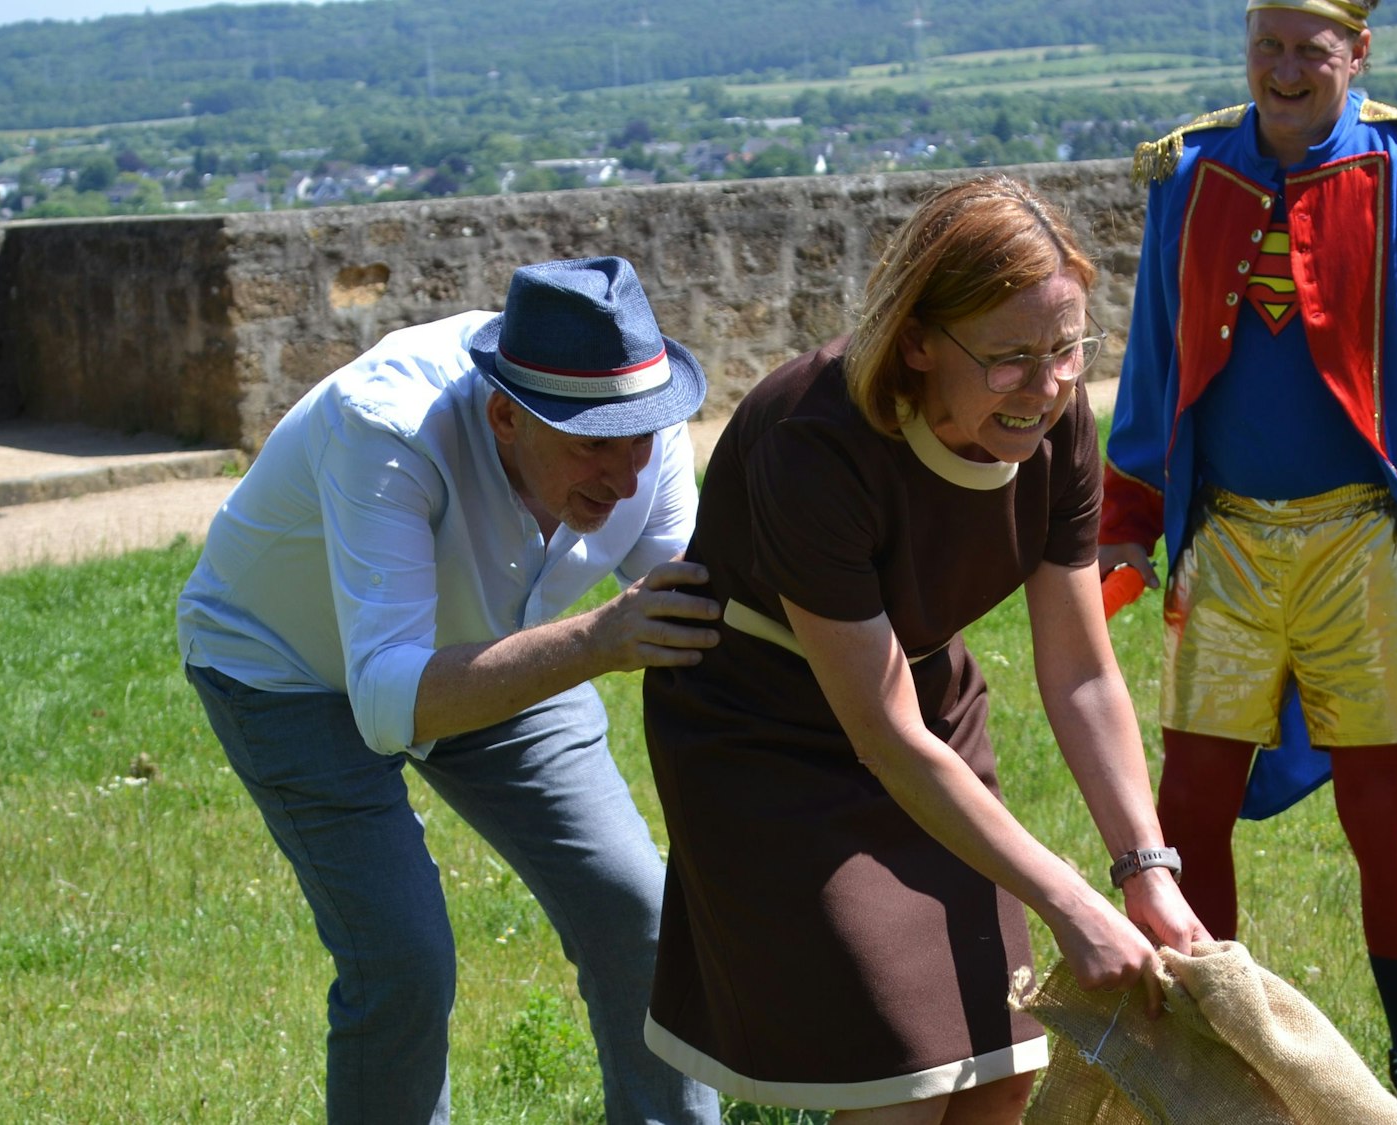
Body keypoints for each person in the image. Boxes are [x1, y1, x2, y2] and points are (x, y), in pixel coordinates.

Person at [640, 174, 1211, 1123]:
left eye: (1069, 347)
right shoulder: (812, 441)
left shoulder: (1059, 422)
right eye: (1011, 357)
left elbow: (1079, 672)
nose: (1048, 385)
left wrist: (1144, 867)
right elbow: (884, 733)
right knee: (898, 1076)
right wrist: (1072, 904)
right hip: (764, 734)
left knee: (1004, 1059)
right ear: (916, 340)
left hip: (923, 706)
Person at [1099, 2, 1397, 1123]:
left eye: (1311, 51)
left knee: (1376, 810)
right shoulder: (1186, 172)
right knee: (1182, 807)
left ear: (1357, 56)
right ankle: (1225, 1054)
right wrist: (1126, 522)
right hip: (1227, 541)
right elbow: (1153, 360)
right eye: (1266, 49)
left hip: (1367, 543)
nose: (1284, 72)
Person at [176, 256, 722, 1125]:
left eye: (641, 441)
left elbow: (706, 626)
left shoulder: (635, 425)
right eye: (591, 447)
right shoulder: (386, 425)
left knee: (641, 914)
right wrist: (593, 639)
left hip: (492, 649)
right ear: (506, 415)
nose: (626, 476)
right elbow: (390, 701)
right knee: (402, 960)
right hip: (285, 668)